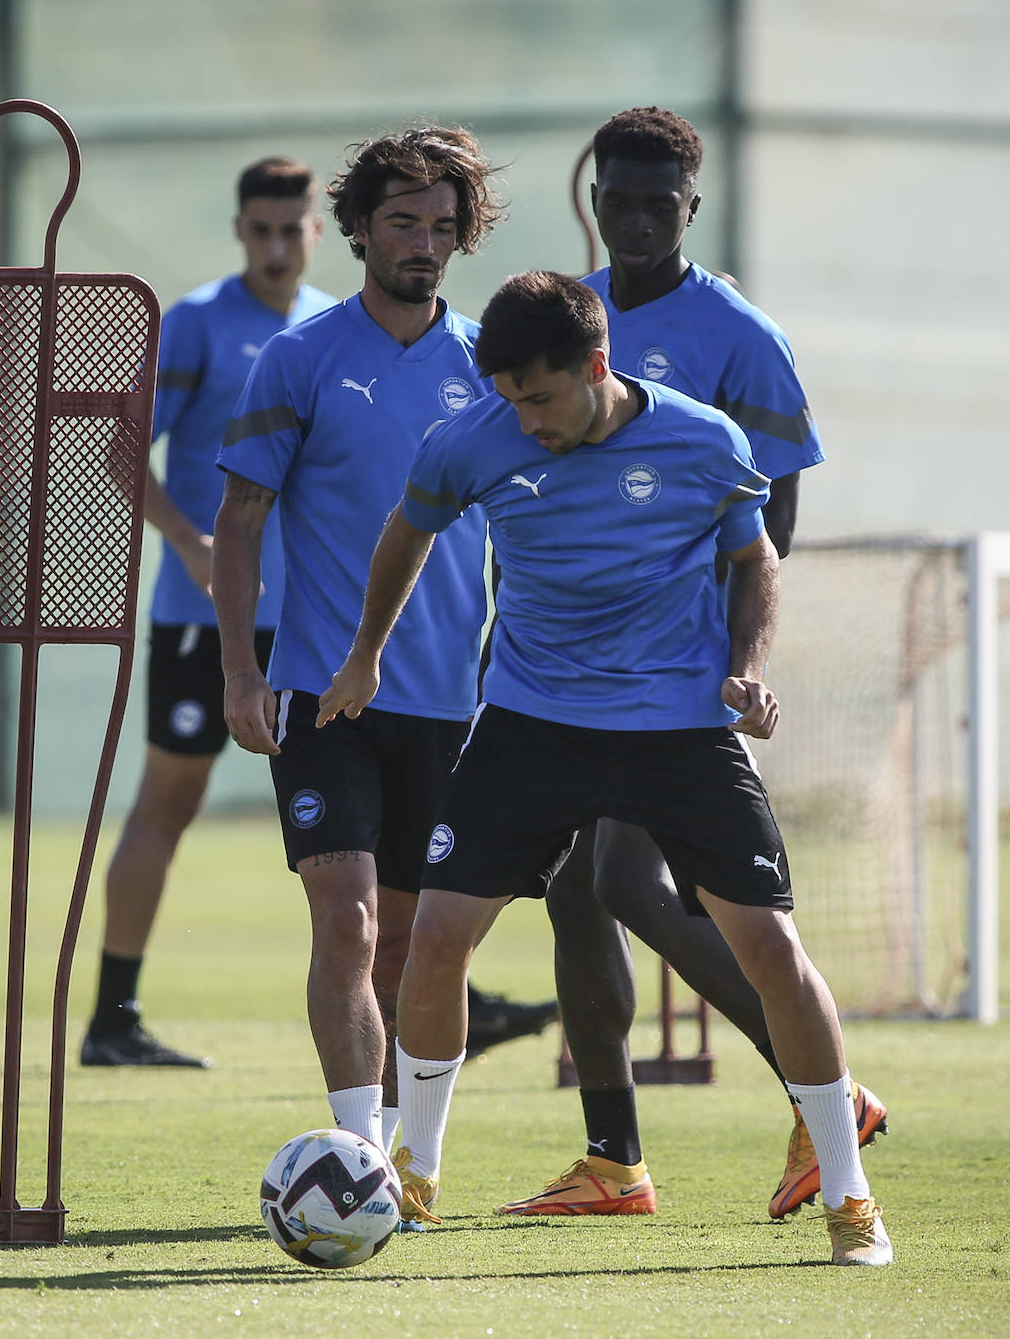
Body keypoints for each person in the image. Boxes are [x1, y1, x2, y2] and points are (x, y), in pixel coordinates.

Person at [322, 270, 893, 1266]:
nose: (525, 421)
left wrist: (746, 671)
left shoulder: (704, 439)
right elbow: (406, 529)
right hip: (530, 723)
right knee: (440, 937)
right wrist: (366, 652)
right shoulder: (472, 440)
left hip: (677, 729)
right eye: (509, 401)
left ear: (597, 366)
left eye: (540, 397)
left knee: (769, 948)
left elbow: (756, 560)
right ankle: (411, 1177)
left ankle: (852, 1201)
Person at [497, 107, 885, 1219]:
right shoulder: (567, 317)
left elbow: (775, 518)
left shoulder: (740, 336)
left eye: (654, 203)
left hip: (677, 674)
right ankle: (615, 1161)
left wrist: (723, 654)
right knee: (576, 891)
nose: (631, 217)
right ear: (596, 200)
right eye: (614, 199)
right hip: (569, 668)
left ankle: (834, 1098)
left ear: (690, 208)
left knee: (620, 881)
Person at [212, 126, 553, 1155]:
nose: (422, 242)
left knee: (409, 947)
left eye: (441, 227)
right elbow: (240, 519)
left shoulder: (492, 366)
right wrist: (242, 671)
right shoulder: (299, 357)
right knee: (349, 922)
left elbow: (531, 524)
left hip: (450, 702)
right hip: (323, 696)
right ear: (357, 229)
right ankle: (356, 1154)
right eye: (401, 221)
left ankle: (405, 1159)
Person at [80, 157, 335, 1068]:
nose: (275, 246)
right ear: (240, 231)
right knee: (169, 801)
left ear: (316, 230)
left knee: (351, 818)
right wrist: (192, 544)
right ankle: (113, 1017)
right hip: (201, 617)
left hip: (309, 621)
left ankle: (427, 998)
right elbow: (119, 449)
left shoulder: (331, 329)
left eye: (290, 229)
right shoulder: (193, 324)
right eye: (260, 229)